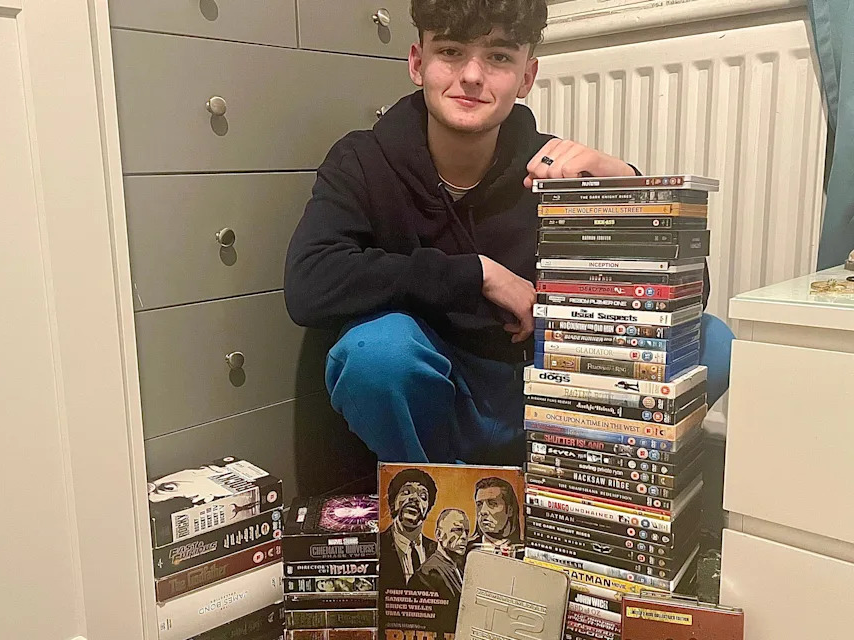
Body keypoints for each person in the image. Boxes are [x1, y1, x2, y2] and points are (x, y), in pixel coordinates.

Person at [284, 0, 729, 465]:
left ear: (527, 77)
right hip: (442, 400)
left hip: (552, 394)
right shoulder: (363, 160)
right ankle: (443, 500)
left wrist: (626, 184)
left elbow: (688, 297)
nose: (472, 76)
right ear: (418, 63)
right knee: (376, 353)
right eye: (451, 51)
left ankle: (578, 495)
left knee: (711, 342)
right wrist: (477, 275)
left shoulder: (555, 169)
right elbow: (309, 283)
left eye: (498, 57)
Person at [409, 508, 471, 627]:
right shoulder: (426, 574)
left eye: (467, 532)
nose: (464, 537)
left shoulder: (459, 567)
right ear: (439, 534)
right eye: (457, 530)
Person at [380, 468, 439, 587]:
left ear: (427, 508)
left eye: (423, 496)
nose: (414, 498)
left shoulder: (438, 552)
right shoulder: (377, 545)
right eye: (406, 492)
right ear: (393, 501)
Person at [468, 476, 522, 552]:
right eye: (479, 505)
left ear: (510, 510)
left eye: (493, 504)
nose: (483, 511)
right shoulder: (465, 551)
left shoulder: (524, 551)